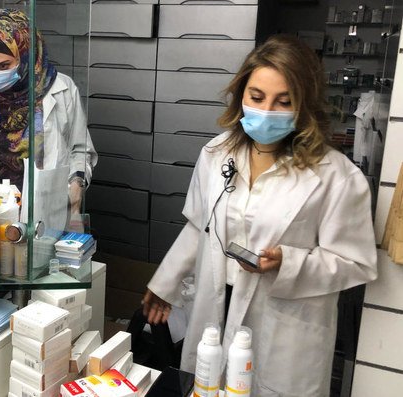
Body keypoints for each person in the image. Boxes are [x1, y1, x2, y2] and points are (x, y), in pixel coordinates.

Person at [143, 35, 378, 395]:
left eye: (284, 102)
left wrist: (290, 263)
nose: (267, 111)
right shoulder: (216, 154)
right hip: (216, 309)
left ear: (305, 106)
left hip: (284, 327)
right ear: (241, 96)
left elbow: (355, 262)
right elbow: (198, 227)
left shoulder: (337, 177)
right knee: (207, 384)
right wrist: (165, 285)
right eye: (257, 98)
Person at [0, 9, 97, 215]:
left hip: (46, 211)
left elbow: (81, 149)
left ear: (26, 55)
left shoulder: (61, 89)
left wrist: (77, 184)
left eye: (3, 65)